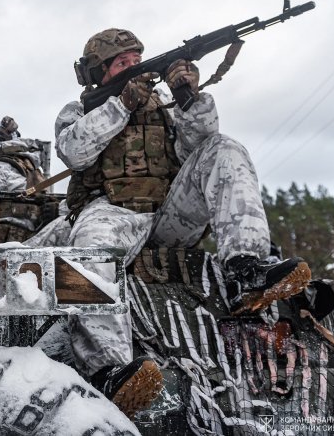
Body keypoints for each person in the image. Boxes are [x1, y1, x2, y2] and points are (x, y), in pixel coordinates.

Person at [57, 28, 312, 417]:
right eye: (122, 63)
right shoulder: (80, 111)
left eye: (136, 59)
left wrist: (188, 96)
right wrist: (120, 106)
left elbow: (201, 149)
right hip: (112, 212)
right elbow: (73, 152)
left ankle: (247, 266)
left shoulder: (165, 109)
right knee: (87, 248)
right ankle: (108, 369)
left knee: (225, 146)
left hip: (169, 215)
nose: (133, 67)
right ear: (100, 72)